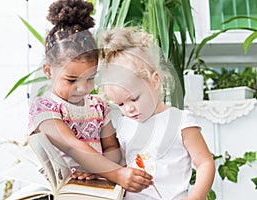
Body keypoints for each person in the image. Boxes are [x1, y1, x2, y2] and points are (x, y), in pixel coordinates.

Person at [27, 0, 153, 193]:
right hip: (58, 193)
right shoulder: (43, 109)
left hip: (96, 189)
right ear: (48, 71)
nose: (82, 88)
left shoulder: (99, 107)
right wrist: (117, 174)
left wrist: (98, 171)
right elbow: (72, 145)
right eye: (71, 80)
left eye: (90, 78)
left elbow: (111, 148)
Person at [99, 27, 215, 200]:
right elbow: (120, 166)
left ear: (154, 81)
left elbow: (205, 163)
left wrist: (196, 197)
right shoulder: (125, 126)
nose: (128, 109)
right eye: (120, 104)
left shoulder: (181, 121)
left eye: (134, 98)